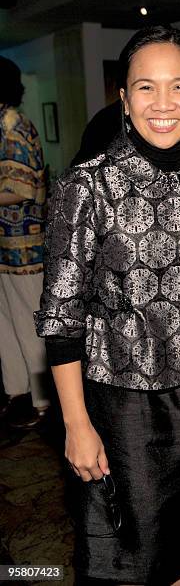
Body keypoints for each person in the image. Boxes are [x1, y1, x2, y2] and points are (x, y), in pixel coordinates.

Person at [35, 25, 180, 585]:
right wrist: (75, 423)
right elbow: (61, 317)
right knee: (128, 562)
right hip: (124, 416)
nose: (163, 104)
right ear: (123, 97)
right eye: (146, 87)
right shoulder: (86, 186)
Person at [0, 56, 49, 428]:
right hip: (6, 246)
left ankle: (42, 401)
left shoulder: (13, 126)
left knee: (30, 324)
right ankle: (18, 393)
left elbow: (21, 189)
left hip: (24, 247)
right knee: (6, 323)